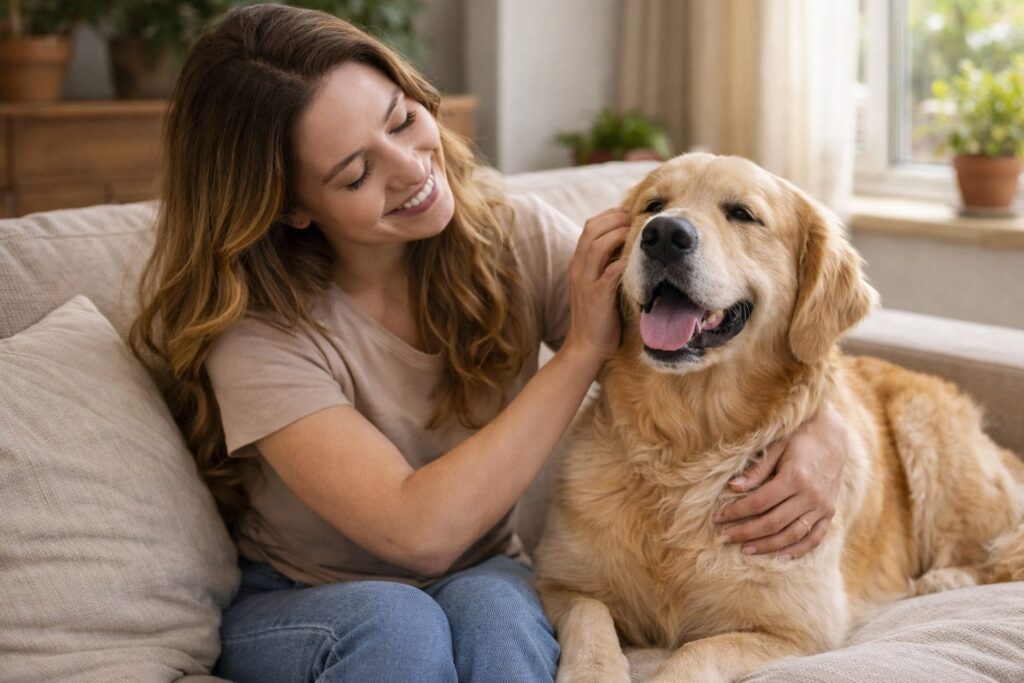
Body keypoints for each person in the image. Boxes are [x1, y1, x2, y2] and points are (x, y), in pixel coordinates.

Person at [129, 4, 849, 682]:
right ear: (287, 206)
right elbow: (418, 531)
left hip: (480, 568)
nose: (411, 168)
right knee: (396, 623)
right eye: (356, 172)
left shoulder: (510, 236)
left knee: (505, 623)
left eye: (403, 120)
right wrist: (577, 355)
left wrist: (826, 431)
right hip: (301, 593)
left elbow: (733, 339)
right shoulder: (256, 334)